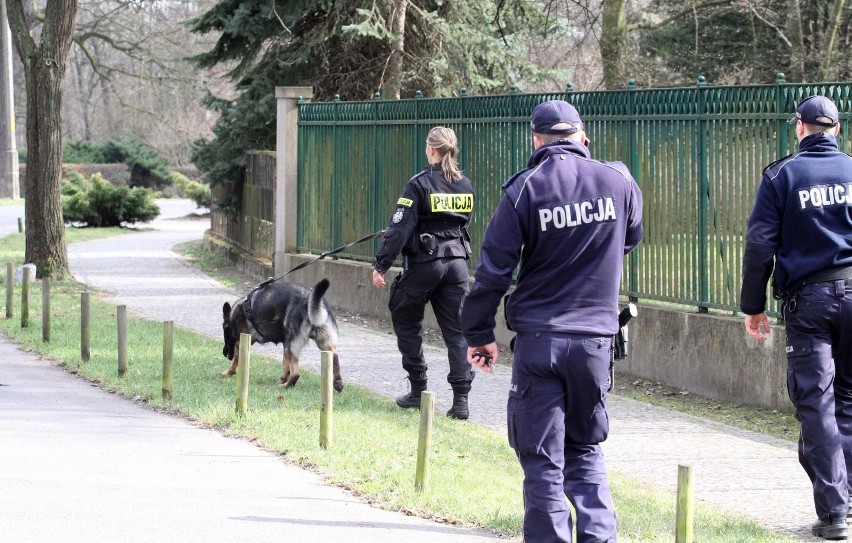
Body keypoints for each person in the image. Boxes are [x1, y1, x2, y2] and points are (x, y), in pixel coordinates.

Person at [461, 100, 643, 543]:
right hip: (595, 344)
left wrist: (479, 335)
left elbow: (491, 273)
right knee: (585, 449)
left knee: (543, 459)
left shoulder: (525, 189)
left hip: (540, 342)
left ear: (536, 140)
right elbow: (632, 236)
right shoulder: (618, 180)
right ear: (583, 137)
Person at [740, 94, 852, 541]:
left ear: (800, 128)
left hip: (810, 302)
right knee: (846, 400)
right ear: (837, 130)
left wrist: (753, 305)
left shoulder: (781, 175)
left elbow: (759, 244)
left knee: (818, 403)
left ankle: (835, 514)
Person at [372, 126, 476, 420]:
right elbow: (463, 223)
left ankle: (418, 390)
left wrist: (381, 264)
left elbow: (399, 229)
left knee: (404, 317)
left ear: (431, 150)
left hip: (425, 264)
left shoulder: (418, 184)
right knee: (456, 331)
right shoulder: (465, 183)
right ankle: (461, 401)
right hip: (457, 264)